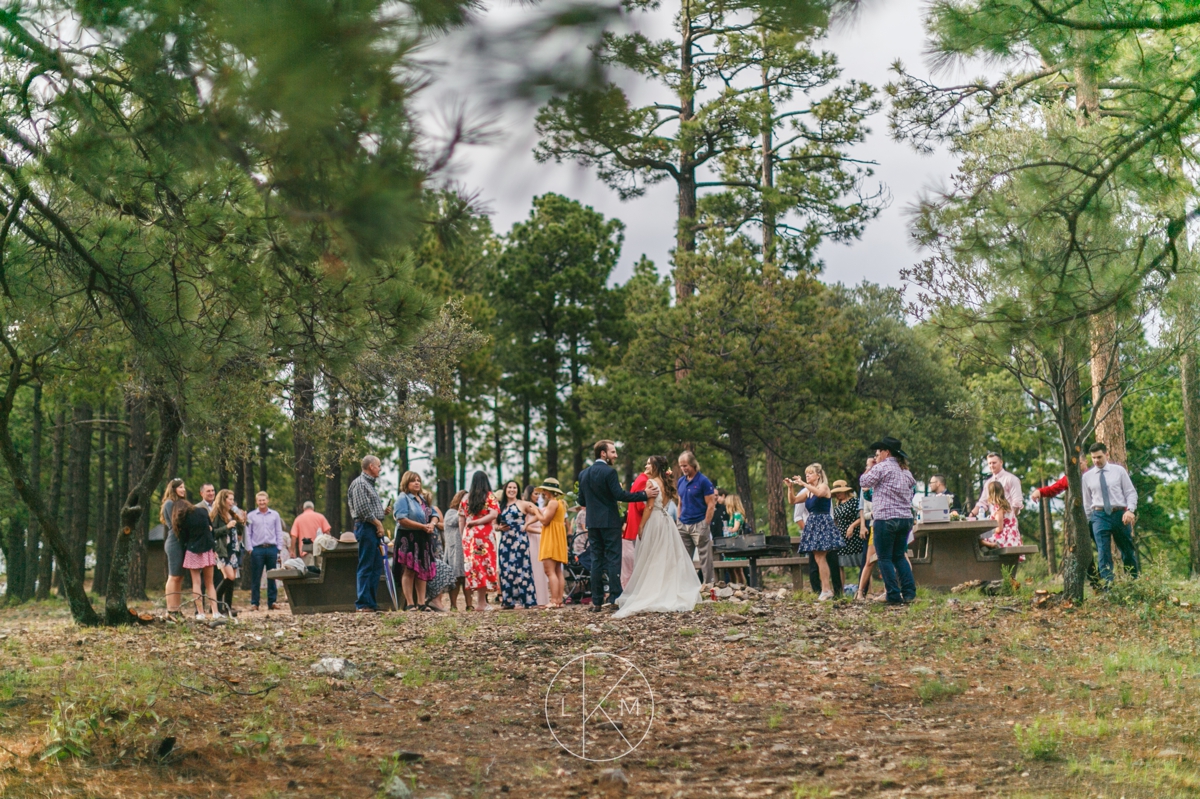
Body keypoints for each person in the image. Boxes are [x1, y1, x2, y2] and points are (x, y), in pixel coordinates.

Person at [614, 456, 701, 618]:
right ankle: (667, 588)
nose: (646, 465)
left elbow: (650, 506)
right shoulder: (666, 482)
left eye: (648, 463)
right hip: (666, 521)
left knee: (652, 556)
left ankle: (654, 591)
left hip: (654, 520)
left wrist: (641, 525)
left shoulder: (651, 483)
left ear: (655, 466)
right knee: (665, 557)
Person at [579, 440, 656, 611]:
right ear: (603, 454)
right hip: (610, 522)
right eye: (613, 452)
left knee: (596, 560)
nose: (616, 455)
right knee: (614, 559)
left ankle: (597, 601)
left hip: (592, 523)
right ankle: (614, 598)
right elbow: (620, 495)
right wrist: (645, 494)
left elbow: (581, 500)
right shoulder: (609, 473)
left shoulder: (584, 474)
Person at [859, 436, 917, 605]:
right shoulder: (906, 472)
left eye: (878, 452)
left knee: (884, 558)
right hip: (905, 518)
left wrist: (870, 466)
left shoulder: (882, 468)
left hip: (885, 518)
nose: (877, 455)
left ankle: (893, 594)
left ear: (886, 452)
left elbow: (864, 481)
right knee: (899, 556)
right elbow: (913, 489)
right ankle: (909, 592)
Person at [1081, 442, 1139, 584]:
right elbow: (1087, 502)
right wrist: (1089, 522)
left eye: (1099, 457)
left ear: (1106, 454)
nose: (1096, 461)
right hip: (1099, 516)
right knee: (1103, 552)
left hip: (1119, 514)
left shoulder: (1118, 471)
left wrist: (1130, 510)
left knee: (1127, 550)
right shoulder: (1087, 477)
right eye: (1093, 458)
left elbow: (1131, 492)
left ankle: (1133, 582)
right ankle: (1109, 586)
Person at [788, 464, 842, 601]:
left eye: (810, 473)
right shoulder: (807, 492)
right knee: (818, 558)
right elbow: (792, 501)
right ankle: (825, 589)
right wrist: (790, 487)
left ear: (818, 475)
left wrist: (803, 483)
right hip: (812, 523)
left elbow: (820, 494)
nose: (807, 476)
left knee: (822, 557)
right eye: (806, 474)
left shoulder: (823, 486)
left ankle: (826, 589)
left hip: (823, 522)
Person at [347, 455, 388, 613]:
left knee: (376, 566)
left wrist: (382, 513)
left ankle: (371, 602)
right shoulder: (360, 484)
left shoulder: (370, 485)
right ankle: (363, 603)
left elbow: (368, 508)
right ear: (371, 466)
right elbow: (363, 510)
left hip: (373, 527)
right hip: (367, 527)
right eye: (378, 465)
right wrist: (378, 523)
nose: (380, 469)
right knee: (366, 565)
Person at [393, 471, 438, 611]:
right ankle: (410, 603)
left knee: (423, 570)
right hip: (409, 537)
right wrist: (422, 526)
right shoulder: (403, 498)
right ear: (406, 483)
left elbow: (434, 514)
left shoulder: (423, 499)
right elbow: (402, 519)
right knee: (409, 569)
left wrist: (432, 524)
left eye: (418, 480)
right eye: (413, 481)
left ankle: (421, 603)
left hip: (424, 538)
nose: (417, 483)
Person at [459, 471, 500, 611]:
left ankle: (480, 602)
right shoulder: (489, 496)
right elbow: (493, 515)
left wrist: (463, 536)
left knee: (474, 568)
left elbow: (461, 518)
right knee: (485, 565)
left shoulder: (465, 498)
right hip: (485, 535)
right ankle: (481, 603)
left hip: (469, 536)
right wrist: (478, 522)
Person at [173, 498, 220, 620]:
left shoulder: (182, 519)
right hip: (207, 549)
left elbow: (183, 539)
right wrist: (213, 549)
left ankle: (200, 613)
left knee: (196, 583)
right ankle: (215, 612)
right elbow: (211, 531)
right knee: (210, 583)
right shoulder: (202, 511)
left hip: (192, 551)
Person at [496, 480, 538, 609]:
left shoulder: (523, 503)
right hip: (505, 541)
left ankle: (527, 600)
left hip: (519, 540)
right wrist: (499, 528)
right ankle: (509, 601)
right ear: (505, 489)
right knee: (506, 570)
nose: (512, 490)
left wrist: (526, 524)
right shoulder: (500, 506)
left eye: (514, 487)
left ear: (518, 490)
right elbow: (494, 523)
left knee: (521, 569)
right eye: (509, 487)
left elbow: (538, 514)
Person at [674, 450, 715, 585]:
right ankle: (685, 585)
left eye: (685, 465)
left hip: (699, 523)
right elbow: (680, 502)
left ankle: (708, 585)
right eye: (681, 466)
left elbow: (711, 504)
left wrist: (705, 523)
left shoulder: (703, 481)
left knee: (705, 557)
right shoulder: (681, 481)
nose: (683, 468)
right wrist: (678, 520)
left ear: (693, 464)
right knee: (683, 557)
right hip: (683, 524)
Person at [528, 478, 569, 608]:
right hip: (558, 537)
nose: (543, 493)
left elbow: (545, 521)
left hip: (551, 537)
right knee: (557, 571)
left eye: (544, 490)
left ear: (548, 491)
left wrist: (535, 511)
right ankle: (559, 601)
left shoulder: (552, 503)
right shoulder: (561, 503)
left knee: (549, 571)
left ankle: (554, 600)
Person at [245, 491, 287, 611]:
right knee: (256, 577)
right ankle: (255, 603)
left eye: (264, 500)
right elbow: (247, 533)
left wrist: (279, 547)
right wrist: (249, 548)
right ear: (256, 501)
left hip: (272, 548)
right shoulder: (251, 516)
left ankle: (272, 601)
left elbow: (279, 531)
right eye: (260, 500)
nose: (262, 502)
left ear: (267, 500)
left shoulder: (275, 515)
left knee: (272, 576)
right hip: (257, 549)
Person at [210, 489, 246, 616]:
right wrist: (227, 526)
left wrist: (242, 520)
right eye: (229, 499)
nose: (232, 502)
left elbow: (240, 530)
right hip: (223, 550)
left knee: (231, 580)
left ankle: (228, 608)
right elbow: (213, 533)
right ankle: (214, 603)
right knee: (229, 576)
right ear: (223, 500)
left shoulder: (232, 513)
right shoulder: (216, 515)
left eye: (232, 499)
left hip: (234, 549)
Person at [160, 479, 188, 617]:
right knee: (173, 576)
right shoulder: (170, 503)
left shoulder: (179, 503)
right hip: (174, 542)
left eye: (184, 487)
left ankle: (177, 609)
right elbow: (176, 523)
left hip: (181, 542)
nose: (183, 489)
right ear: (174, 489)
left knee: (179, 577)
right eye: (180, 487)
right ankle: (170, 609)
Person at [831, 480, 864, 595]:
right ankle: (840, 591)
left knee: (861, 563)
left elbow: (861, 517)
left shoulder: (854, 501)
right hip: (841, 537)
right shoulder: (837, 504)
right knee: (840, 564)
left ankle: (866, 590)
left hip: (854, 537)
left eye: (839, 492)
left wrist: (852, 526)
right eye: (836, 493)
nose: (838, 494)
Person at [969, 453, 1024, 519]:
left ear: (1001, 462)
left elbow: (1017, 503)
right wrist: (971, 514)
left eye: (994, 463)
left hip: (1008, 522)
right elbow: (982, 503)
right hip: (993, 522)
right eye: (989, 463)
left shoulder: (1012, 479)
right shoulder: (988, 483)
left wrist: (1009, 519)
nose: (991, 465)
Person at [621, 470, 651, 590]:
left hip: (633, 526)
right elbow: (640, 506)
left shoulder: (640, 479)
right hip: (639, 526)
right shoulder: (644, 481)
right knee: (641, 562)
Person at [522, 485, 550, 606]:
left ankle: (542, 598)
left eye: (539, 494)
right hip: (532, 538)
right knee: (534, 567)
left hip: (540, 538)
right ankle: (533, 597)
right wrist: (541, 532)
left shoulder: (538, 507)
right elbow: (526, 527)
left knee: (541, 568)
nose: (538, 496)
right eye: (535, 494)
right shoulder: (527, 507)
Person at [442, 489, 468, 610]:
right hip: (455, 551)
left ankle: (470, 605)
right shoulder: (451, 512)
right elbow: (452, 522)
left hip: (466, 549)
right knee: (456, 579)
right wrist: (462, 511)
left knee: (467, 578)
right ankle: (453, 605)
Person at [980, 481, 1023, 549]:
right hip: (1014, 537)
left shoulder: (999, 508)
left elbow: (999, 529)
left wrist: (990, 531)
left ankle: (991, 545)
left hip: (1005, 538)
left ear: (991, 494)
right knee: (984, 536)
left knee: (979, 538)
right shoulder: (1007, 505)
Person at [291, 500, 332, 564]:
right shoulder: (320, 517)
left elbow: (294, 536)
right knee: (321, 569)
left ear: (303, 508)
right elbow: (327, 533)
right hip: (320, 549)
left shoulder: (298, 519)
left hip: (306, 551)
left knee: (309, 571)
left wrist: (292, 551)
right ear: (313, 508)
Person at [722, 494, 748, 584]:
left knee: (738, 569)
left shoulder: (737, 515)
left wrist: (729, 529)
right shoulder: (732, 515)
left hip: (736, 544)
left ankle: (741, 586)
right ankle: (732, 585)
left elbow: (735, 528)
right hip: (732, 543)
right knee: (731, 569)